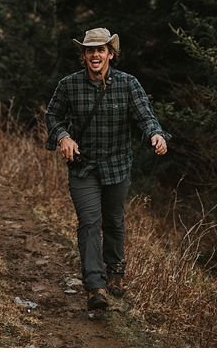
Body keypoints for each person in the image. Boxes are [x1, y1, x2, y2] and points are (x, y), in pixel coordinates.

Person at [45, 27, 170, 311]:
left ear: (110, 54)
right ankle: (95, 285)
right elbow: (52, 115)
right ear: (84, 55)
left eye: (101, 50)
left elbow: (145, 117)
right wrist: (63, 136)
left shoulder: (128, 84)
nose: (95, 55)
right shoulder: (69, 85)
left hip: (117, 165)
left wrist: (156, 134)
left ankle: (115, 274)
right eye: (90, 50)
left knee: (114, 222)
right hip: (83, 167)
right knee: (89, 223)